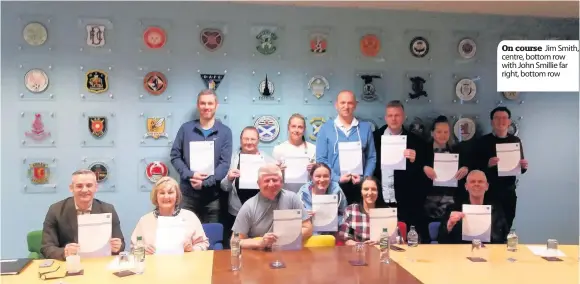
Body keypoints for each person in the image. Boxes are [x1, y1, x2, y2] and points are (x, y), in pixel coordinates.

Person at [170, 89, 233, 223]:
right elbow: (175, 156)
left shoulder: (225, 132)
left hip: (213, 197)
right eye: (203, 103)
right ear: (198, 105)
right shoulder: (186, 129)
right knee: (185, 236)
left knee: (211, 237)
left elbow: (224, 164)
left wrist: (205, 183)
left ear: (216, 105)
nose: (206, 107)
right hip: (187, 195)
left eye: (210, 103)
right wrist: (190, 175)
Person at [40, 169, 125, 260]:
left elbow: (121, 245)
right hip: (69, 264)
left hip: (99, 263)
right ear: (71, 188)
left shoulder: (108, 209)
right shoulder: (56, 210)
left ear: (96, 187)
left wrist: (117, 247)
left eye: (89, 185)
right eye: (79, 186)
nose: (84, 190)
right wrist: (65, 252)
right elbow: (46, 248)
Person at [373, 100, 427, 236]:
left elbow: (422, 173)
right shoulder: (374, 138)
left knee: (403, 239)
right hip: (380, 198)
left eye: (397, 115)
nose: (393, 119)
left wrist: (416, 160)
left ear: (404, 117)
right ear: (385, 118)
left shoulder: (416, 141)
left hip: (405, 201)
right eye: (390, 115)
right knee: (379, 238)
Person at [231, 163, 313, 249]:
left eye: (275, 180)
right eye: (266, 181)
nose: (271, 184)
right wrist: (260, 242)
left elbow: (308, 228)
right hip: (259, 256)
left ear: (281, 182)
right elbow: (235, 241)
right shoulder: (248, 207)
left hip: (288, 253)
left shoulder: (292, 198)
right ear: (258, 184)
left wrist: (285, 237)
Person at [316, 90, 377, 204]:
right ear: (336, 105)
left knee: (359, 219)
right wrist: (336, 178)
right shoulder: (325, 128)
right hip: (334, 186)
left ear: (355, 105)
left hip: (360, 186)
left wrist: (365, 178)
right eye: (342, 103)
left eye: (350, 103)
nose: (346, 106)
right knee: (336, 219)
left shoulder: (365, 128)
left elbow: (371, 157)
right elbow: (321, 159)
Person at [473, 107, 528, 230]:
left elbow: (521, 169)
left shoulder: (515, 141)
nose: (501, 121)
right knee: (487, 227)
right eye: (497, 118)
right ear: (492, 122)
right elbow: (475, 167)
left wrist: (524, 166)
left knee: (507, 225)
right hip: (488, 192)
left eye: (504, 118)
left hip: (508, 191)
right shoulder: (483, 141)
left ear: (509, 122)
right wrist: (487, 164)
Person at [220, 126, 276, 246]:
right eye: (246, 139)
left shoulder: (267, 160)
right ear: (241, 140)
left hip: (261, 213)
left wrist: (279, 172)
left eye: (252, 139)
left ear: (258, 141)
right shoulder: (232, 159)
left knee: (261, 247)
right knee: (237, 246)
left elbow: (276, 187)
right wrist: (229, 178)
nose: (249, 142)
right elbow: (224, 187)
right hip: (236, 212)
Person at [421, 115, 470, 243]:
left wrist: (465, 168)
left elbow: (469, 167)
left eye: (446, 132)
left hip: (450, 202)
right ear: (432, 133)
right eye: (439, 132)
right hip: (427, 202)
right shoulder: (423, 150)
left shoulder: (457, 150)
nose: (443, 135)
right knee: (427, 239)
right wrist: (423, 168)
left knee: (448, 238)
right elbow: (414, 170)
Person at [131, 177, 209, 253]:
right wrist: (143, 250)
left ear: (177, 196)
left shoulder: (190, 217)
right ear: (156, 197)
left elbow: (204, 244)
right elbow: (133, 248)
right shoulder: (145, 220)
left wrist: (192, 249)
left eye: (170, 192)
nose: (166, 196)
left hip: (184, 264)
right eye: (162, 193)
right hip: (154, 264)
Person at [438, 170, 509, 244]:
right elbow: (441, 240)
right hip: (461, 252)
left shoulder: (496, 209)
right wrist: (449, 226)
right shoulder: (454, 209)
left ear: (487, 186)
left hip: (490, 252)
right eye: (472, 181)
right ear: (466, 186)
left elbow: (505, 238)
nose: (476, 184)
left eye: (480, 181)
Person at [297, 163, 348, 233]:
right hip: (308, 234)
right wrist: (304, 217)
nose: (322, 180)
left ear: (330, 177)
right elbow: (295, 218)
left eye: (326, 176)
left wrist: (335, 221)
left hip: (332, 234)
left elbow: (344, 213)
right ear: (311, 177)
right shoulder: (302, 194)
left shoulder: (337, 191)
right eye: (318, 176)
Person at [272, 113, 317, 193]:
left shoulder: (313, 149)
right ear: (288, 128)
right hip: (284, 194)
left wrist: (315, 169)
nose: (296, 130)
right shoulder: (279, 149)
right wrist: (277, 171)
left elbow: (317, 177)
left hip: (307, 194)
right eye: (293, 126)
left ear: (304, 129)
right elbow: (273, 178)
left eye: (300, 127)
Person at [337, 176, 387, 246]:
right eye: (366, 189)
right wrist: (361, 245)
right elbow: (346, 239)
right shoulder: (351, 210)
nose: (370, 193)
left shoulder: (386, 212)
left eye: (373, 189)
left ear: (378, 192)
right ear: (361, 192)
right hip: (358, 253)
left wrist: (379, 242)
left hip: (381, 253)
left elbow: (397, 239)